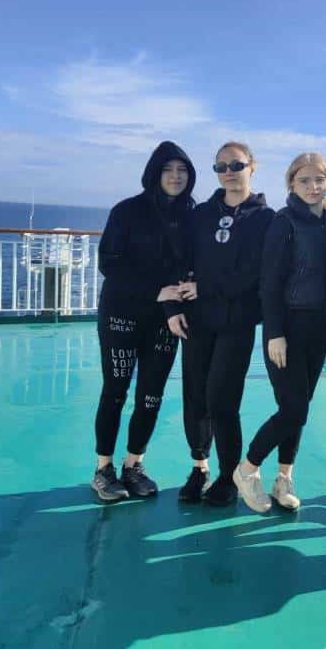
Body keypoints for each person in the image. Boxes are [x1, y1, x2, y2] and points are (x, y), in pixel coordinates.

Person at [232, 152, 326, 513]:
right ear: (292, 184)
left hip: (319, 328)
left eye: (319, 180)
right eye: (304, 180)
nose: (313, 187)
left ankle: (284, 478)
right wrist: (275, 332)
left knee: (299, 407)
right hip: (287, 328)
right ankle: (247, 470)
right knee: (294, 409)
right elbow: (270, 282)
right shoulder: (284, 222)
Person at [165, 142, 275, 506]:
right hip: (197, 320)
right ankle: (200, 467)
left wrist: (207, 287)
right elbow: (180, 262)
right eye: (221, 166)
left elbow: (256, 273)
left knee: (222, 399)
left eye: (236, 165)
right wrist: (172, 307)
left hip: (236, 322)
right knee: (195, 396)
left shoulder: (266, 219)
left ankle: (229, 476)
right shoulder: (200, 215)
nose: (228, 172)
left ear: (252, 167)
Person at [90, 140, 195, 501]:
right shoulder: (127, 211)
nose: (175, 176)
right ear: (154, 173)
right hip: (121, 315)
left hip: (164, 321)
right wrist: (156, 290)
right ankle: (104, 468)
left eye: (182, 170)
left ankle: (134, 464)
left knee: (151, 396)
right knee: (115, 392)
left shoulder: (191, 214)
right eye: (168, 169)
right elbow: (109, 263)